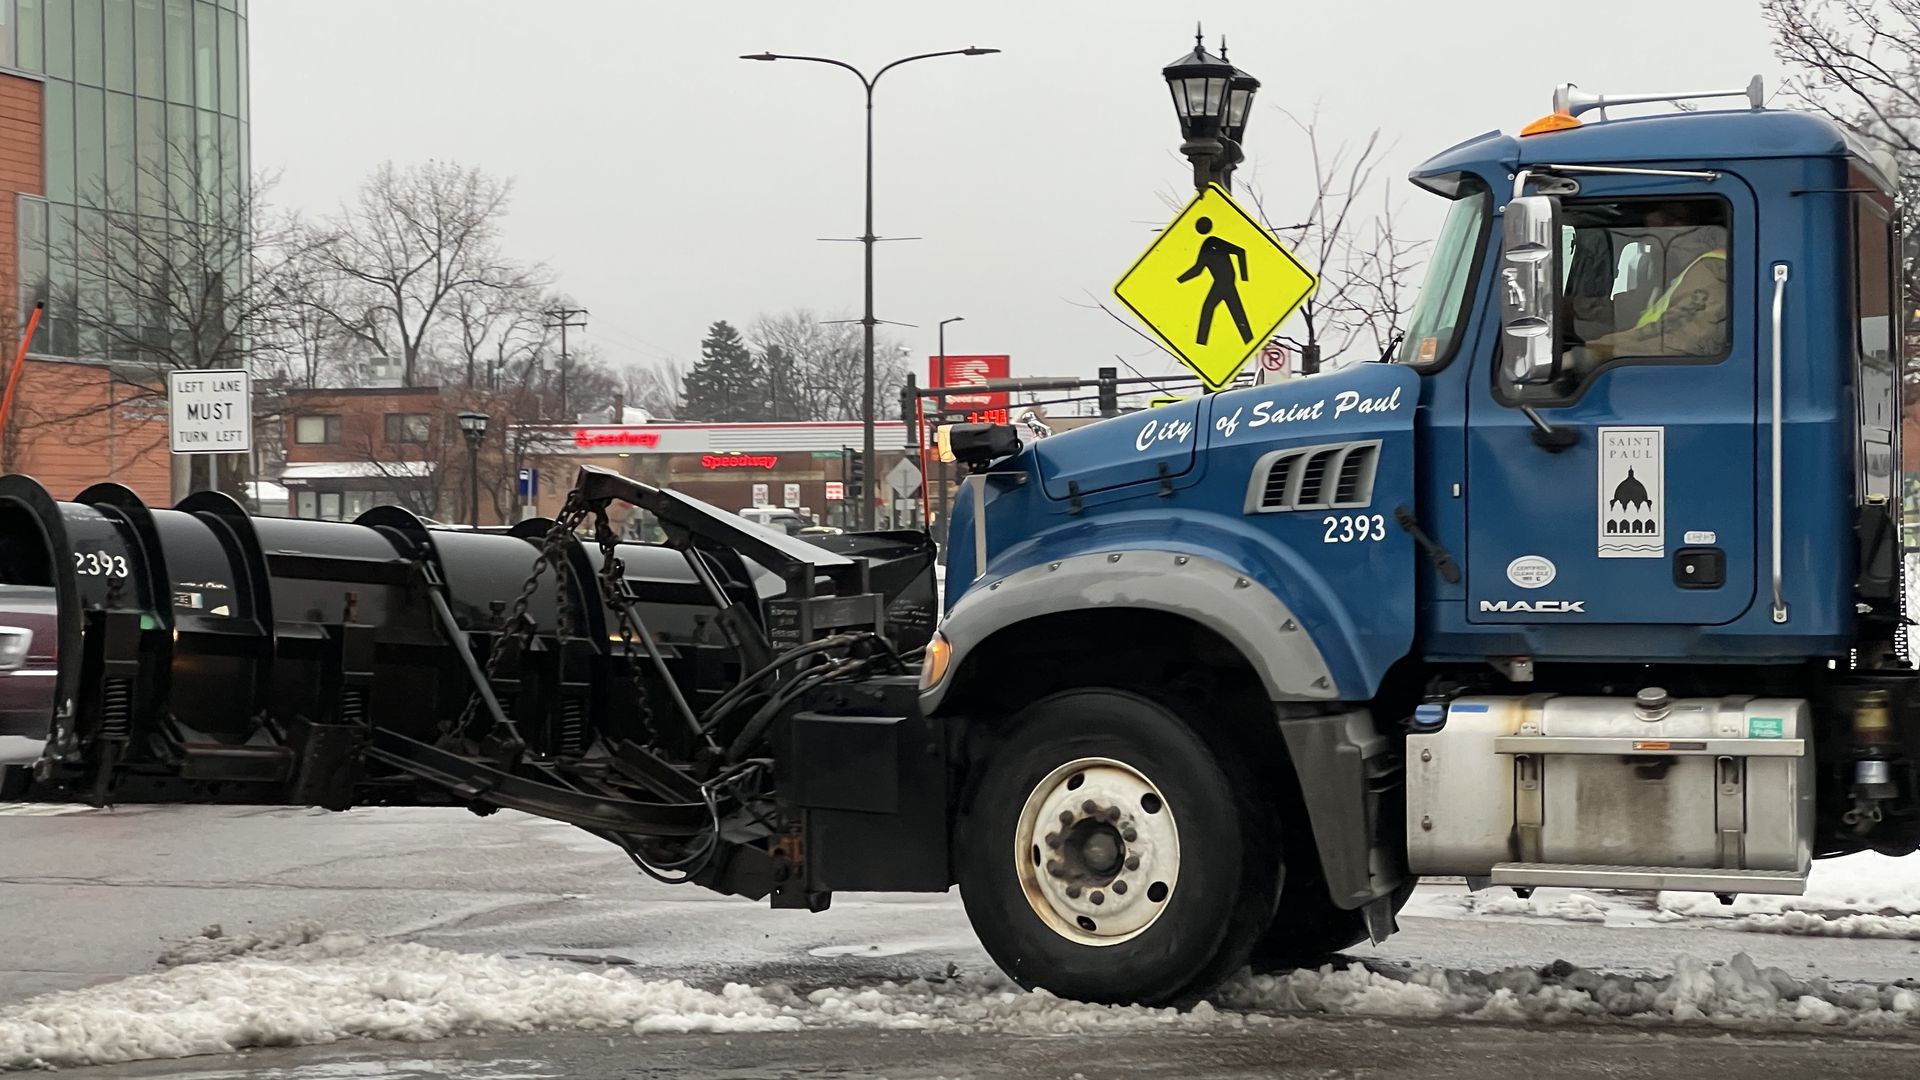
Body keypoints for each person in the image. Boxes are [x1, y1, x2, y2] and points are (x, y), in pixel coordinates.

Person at [1581, 205, 1729, 362]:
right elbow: (1635, 312)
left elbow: (1677, 340)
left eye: (1652, 231)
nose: (1647, 241)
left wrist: (1596, 352)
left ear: (1677, 230)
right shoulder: (1679, 274)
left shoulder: (1711, 270)